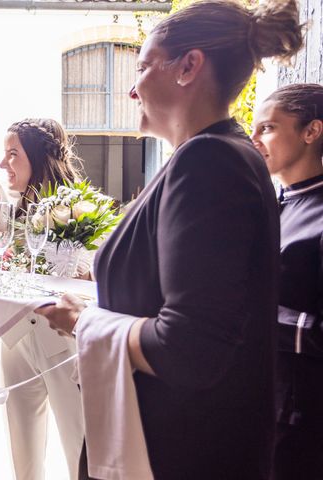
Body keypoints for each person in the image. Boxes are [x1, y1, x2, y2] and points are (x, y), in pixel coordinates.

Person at [37, 0, 304, 478]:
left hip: (178, 448)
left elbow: (188, 347)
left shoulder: (208, 162)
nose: (131, 89)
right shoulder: (217, 156)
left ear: (189, 67)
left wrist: (85, 322)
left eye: (141, 67)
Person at [0, 118, 85, 480]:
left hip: (63, 345)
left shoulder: (81, 211)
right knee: (23, 453)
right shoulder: (7, 207)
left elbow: (91, 275)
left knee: (78, 444)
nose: (3, 164)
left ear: (36, 157)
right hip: (15, 339)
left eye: (12, 154)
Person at [250, 83, 323, 480]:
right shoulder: (271, 203)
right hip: (257, 397)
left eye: (268, 128)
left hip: (302, 414)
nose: (254, 138)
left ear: (311, 132)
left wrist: (253, 318)